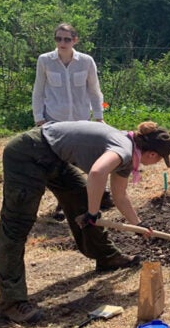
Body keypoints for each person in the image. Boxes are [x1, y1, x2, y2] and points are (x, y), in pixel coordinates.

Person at [0, 120, 170, 324]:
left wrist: (138, 225)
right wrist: (92, 213)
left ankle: (106, 257)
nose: (157, 162)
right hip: (28, 152)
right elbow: (97, 173)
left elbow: (120, 196)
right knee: (16, 225)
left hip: (53, 156)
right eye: (160, 159)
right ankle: (12, 301)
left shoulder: (128, 152)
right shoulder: (124, 149)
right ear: (152, 154)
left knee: (81, 197)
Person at [32, 23, 111, 218]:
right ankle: (63, 203)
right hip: (55, 120)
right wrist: (39, 118)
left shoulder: (86, 61)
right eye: (58, 38)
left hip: (80, 119)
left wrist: (99, 117)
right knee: (59, 164)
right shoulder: (45, 60)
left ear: (75, 40)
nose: (62, 43)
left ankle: (98, 197)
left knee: (87, 159)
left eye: (67, 39)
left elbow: (94, 90)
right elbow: (38, 91)